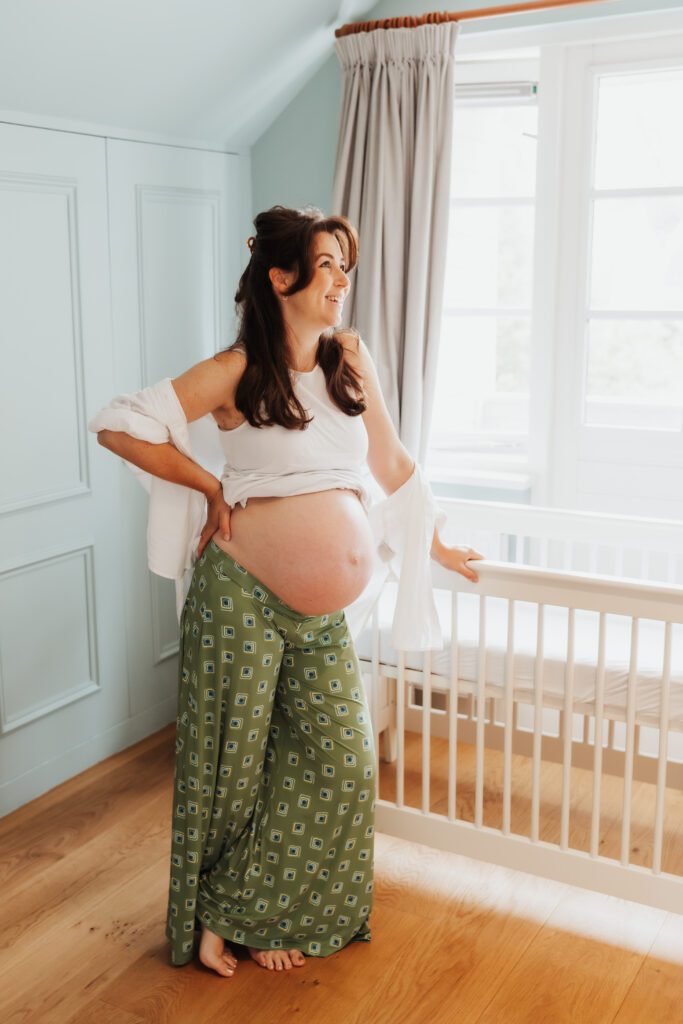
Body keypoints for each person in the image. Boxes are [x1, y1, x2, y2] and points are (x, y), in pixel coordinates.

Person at [92, 205, 484, 978]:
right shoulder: (236, 370)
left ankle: (258, 905)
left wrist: (431, 541)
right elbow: (117, 423)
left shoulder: (349, 359)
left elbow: (391, 464)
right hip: (240, 593)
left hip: (319, 614)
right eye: (327, 264)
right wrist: (210, 485)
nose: (342, 279)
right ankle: (214, 921)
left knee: (343, 763)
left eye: (345, 264)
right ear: (281, 277)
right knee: (230, 767)